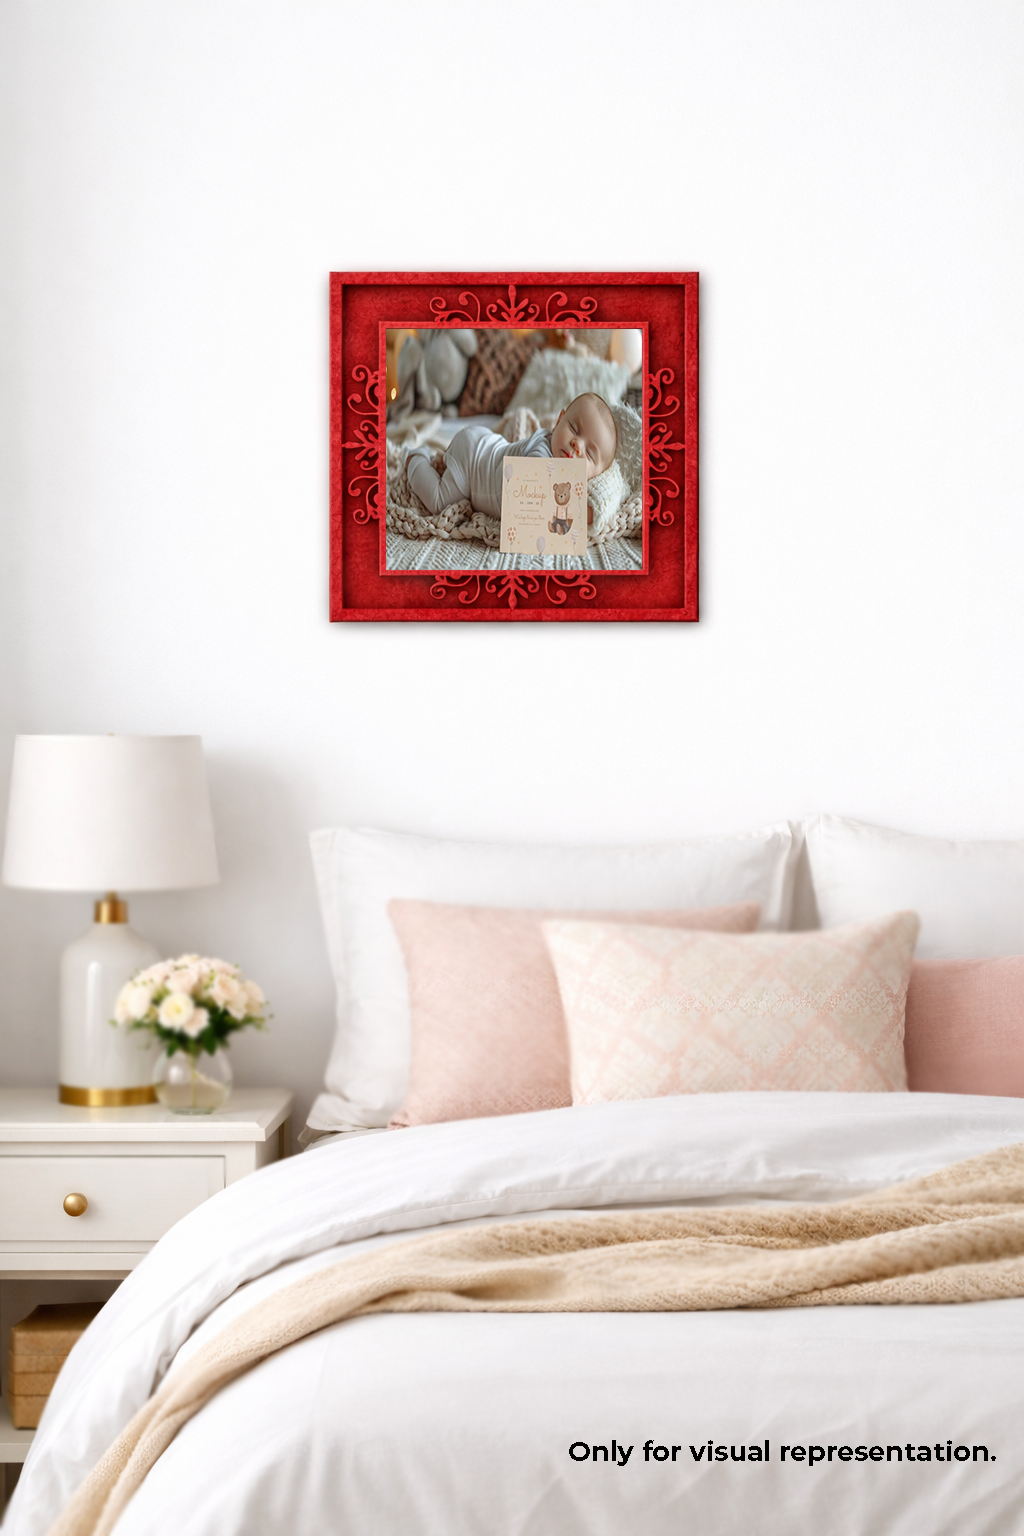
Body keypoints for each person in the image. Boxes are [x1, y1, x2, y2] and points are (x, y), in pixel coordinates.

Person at [406, 392, 618, 518]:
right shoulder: (542, 453)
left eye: (589, 454)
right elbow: (539, 491)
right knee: (438, 502)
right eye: (573, 428)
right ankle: (415, 457)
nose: (577, 444)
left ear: (596, 475)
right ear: (558, 420)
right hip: (473, 459)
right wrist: (582, 513)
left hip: (486, 443)